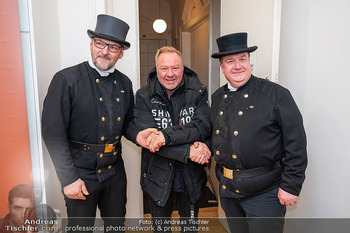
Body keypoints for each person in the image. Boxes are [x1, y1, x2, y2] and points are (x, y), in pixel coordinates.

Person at [41, 14, 154, 232]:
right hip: (79, 174)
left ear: (121, 53)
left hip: (114, 173)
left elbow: (128, 123)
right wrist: (68, 179)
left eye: (113, 47)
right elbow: (53, 133)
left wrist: (138, 135)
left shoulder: (124, 83)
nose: (105, 51)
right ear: (91, 44)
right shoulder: (66, 80)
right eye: (100, 43)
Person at [210, 32, 308, 233]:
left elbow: (296, 143)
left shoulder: (276, 94)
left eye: (242, 59)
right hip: (229, 191)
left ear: (249, 61)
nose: (238, 66)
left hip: (266, 193)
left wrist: (291, 185)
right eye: (230, 61)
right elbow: (216, 136)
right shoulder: (218, 97)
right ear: (222, 67)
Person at [134, 46, 211, 232]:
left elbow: (202, 127)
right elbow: (151, 140)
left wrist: (166, 136)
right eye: (164, 68)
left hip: (190, 176)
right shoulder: (143, 96)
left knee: (190, 228)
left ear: (183, 68)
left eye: (175, 68)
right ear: (156, 69)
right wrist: (189, 150)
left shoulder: (198, 92)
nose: (170, 74)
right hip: (157, 177)